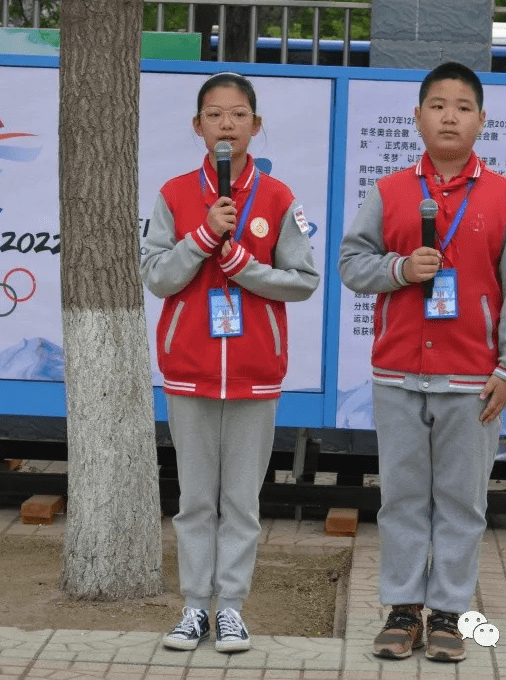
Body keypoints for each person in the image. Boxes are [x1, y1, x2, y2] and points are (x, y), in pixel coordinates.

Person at [338, 61, 506, 662]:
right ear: (418, 116)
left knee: (461, 501)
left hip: (473, 381)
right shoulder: (390, 192)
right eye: (438, 105)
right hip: (398, 374)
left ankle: (449, 612)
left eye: (462, 106)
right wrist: (400, 269)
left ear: (482, 121)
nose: (449, 116)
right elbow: (352, 264)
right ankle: (403, 611)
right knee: (401, 497)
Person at [141, 72, 320, 653]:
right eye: (215, 115)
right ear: (198, 127)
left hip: (255, 372)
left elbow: (303, 282)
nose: (227, 125)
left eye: (239, 114)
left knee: (242, 501)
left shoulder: (277, 198)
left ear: (256, 126)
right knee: (196, 500)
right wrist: (200, 237)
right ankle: (194, 608)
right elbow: (157, 276)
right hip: (188, 369)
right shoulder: (173, 194)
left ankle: (233, 609)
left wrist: (244, 266)